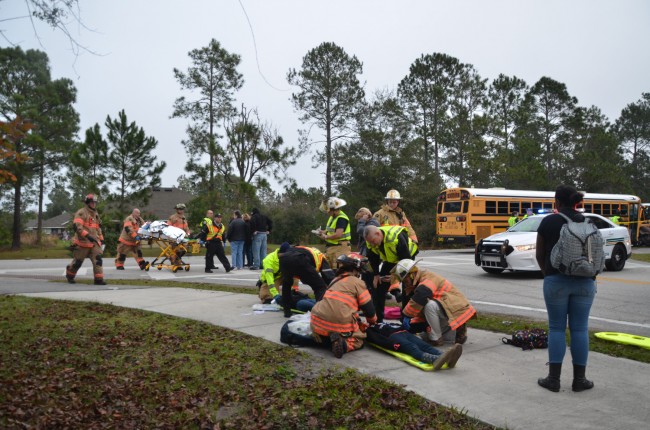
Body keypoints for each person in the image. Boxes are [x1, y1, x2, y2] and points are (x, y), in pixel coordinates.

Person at [535, 184, 596, 393]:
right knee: (579, 329)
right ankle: (580, 380)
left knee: (556, 328)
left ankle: (554, 379)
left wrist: (548, 275)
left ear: (557, 202)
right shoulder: (587, 222)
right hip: (586, 282)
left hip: (556, 281)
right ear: (575, 202)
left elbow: (539, 254)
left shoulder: (549, 221)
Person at [392, 259, 476, 346]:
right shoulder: (415, 284)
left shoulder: (428, 277)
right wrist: (411, 323)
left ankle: (437, 338)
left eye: (405, 281)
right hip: (445, 310)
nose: (405, 284)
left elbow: (421, 296)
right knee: (423, 335)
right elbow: (418, 310)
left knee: (429, 306)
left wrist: (407, 315)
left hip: (456, 308)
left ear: (412, 275)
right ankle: (454, 332)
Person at [310, 253, 378, 358]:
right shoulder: (358, 283)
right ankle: (344, 344)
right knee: (359, 339)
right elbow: (369, 310)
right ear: (357, 268)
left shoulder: (335, 280)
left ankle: (325, 338)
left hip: (317, 319)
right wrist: (373, 322)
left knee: (326, 330)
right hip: (338, 322)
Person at [363, 225, 418, 323]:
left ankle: (406, 319)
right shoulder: (370, 242)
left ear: (378, 234)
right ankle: (377, 320)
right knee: (378, 286)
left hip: (406, 259)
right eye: (369, 242)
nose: (372, 244)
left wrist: (395, 276)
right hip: (390, 260)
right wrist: (376, 275)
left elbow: (406, 261)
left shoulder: (397, 237)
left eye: (373, 241)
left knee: (408, 288)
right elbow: (373, 259)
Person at [366, 323, 462, 371]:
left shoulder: (383, 322)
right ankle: (434, 360)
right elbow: (376, 339)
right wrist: (389, 344)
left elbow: (408, 326)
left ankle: (447, 356)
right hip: (393, 338)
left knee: (425, 346)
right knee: (412, 348)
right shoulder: (369, 330)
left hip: (404, 332)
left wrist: (422, 326)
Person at [278, 245, 336, 317]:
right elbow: (329, 277)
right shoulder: (322, 257)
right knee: (320, 287)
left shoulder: (305, 249)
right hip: (299, 259)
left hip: (283, 259)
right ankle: (320, 313)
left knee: (286, 284)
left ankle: (287, 311)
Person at [65, 194, 106, 285]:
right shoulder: (81, 213)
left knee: (98, 260)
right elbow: (77, 227)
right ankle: (70, 275)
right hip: (82, 243)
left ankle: (99, 279)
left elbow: (98, 228)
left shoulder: (95, 214)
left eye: (95, 202)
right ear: (87, 202)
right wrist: (87, 236)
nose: (94, 204)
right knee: (77, 263)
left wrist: (101, 239)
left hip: (94, 243)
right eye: (92, 202)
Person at [317, 197, 352, 269]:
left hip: (340, 247)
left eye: (328, 209)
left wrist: (326, 237)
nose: (327, 212)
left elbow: (338, 234)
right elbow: (329, 231)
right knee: (329, 270)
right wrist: (321, 232)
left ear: (334, 209)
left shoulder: (341, 218)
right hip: (332, 247)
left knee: (338, 269)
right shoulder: (333, 217)